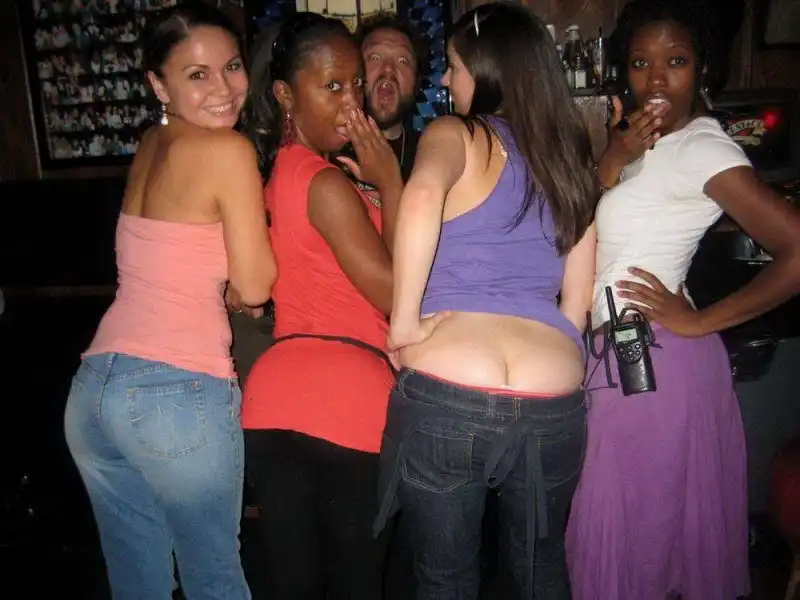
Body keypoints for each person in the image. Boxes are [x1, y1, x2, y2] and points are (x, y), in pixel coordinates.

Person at [564, 1, 800, 599]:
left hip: (656, 363)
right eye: (641, 62)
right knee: (634, 540)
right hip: (620, 360)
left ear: (703, 69)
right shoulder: (640, 143)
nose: (656, 79)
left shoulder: (702, 147)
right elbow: (577, 232)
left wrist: (699, 323)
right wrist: (612, 158)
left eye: (676, 61)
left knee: (640, 548)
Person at [373, 4, 598, 599]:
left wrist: (402, 325)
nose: (447, 81)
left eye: (453, 66)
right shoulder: (569, 154)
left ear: (488, 68)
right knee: (541, 568)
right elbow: (577, 301)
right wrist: (558, 358)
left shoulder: (456, 133)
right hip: (552, 392)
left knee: (445, 576)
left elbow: (422, 197)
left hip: (451, 386)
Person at [63, 5, 276, 599]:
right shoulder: (227, 150)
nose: (224, 88)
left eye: (231, 66)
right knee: (215, 580)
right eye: (197, 75)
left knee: (139, 582)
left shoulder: (152, 144)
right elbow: (256, 285)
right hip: (173, 388)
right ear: (159, 85)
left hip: (95, 390)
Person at [240, 12, 402, 600]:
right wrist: (392, 183)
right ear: (285, 95)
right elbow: (397, 295)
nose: (351, 102)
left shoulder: (272, 177)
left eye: (355, 83)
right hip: (348, 398)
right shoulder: (325, 183)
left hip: (272, 399)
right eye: (331, 86)